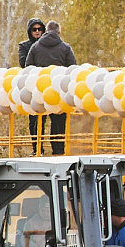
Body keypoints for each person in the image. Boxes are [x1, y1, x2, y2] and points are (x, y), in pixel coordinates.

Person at [24, 19, 78, 154]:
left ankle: (37, 150)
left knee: (38, 120)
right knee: (58, 121)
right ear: (59, 32)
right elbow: (73, 68)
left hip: (39, 90)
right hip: (58, 91)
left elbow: (28, 67)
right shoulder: (65, 48)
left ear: (46, 31)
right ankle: (58, 150)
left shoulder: (35, 47)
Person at [17, 17, 47, 153]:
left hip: (47, 85)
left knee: (54, 118)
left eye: (39, 29)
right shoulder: (24, 46)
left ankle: (56, 148)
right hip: (31, 86)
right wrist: (35, 49)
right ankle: (36, 148)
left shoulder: (47, 46)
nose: (37, 32)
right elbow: (23, 62)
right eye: (34, 29)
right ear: (30, 31)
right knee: (34, 119)